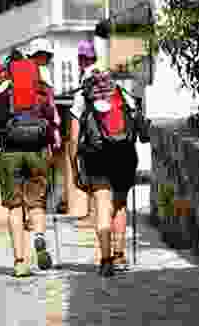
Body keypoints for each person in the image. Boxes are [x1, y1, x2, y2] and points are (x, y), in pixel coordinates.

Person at [0, 39, 60, 278]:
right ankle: (38, 236)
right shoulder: (43, 88)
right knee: (36, 204)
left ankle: (19, 261)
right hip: (37, 151)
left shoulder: (0, 89)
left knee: (15, 207)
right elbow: (54, 122)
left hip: (10, 152)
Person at [69, 39, 138, 277]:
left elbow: (74, 137)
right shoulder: (122, 94)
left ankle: (106, 259)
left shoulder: (82, 97)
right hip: (122, 156)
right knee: (119, 205)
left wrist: (75, 168)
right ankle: (119, 254)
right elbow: (137, 126)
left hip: (97, 158)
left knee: (102, 207)